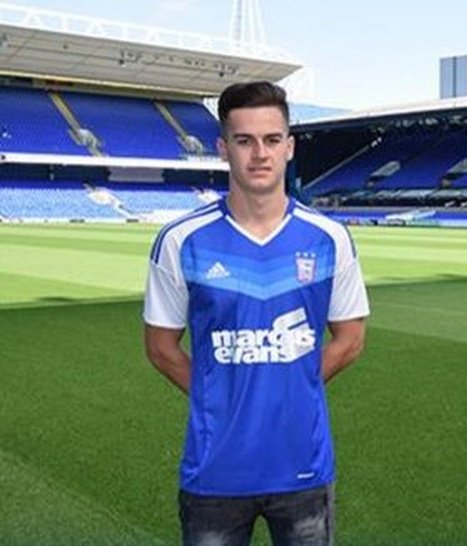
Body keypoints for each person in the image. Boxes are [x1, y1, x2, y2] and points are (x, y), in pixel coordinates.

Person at [143, 81, 369, 546]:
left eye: (271, 140)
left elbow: (350, 339)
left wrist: (294, 380)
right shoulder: (182, 240)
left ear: (289, 147)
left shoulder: (328, 238)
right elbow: (161, 348)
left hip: (303, 469)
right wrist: (221, 395)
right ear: (224, 148)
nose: (259, 153)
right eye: (244, 140)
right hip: (214, 473)